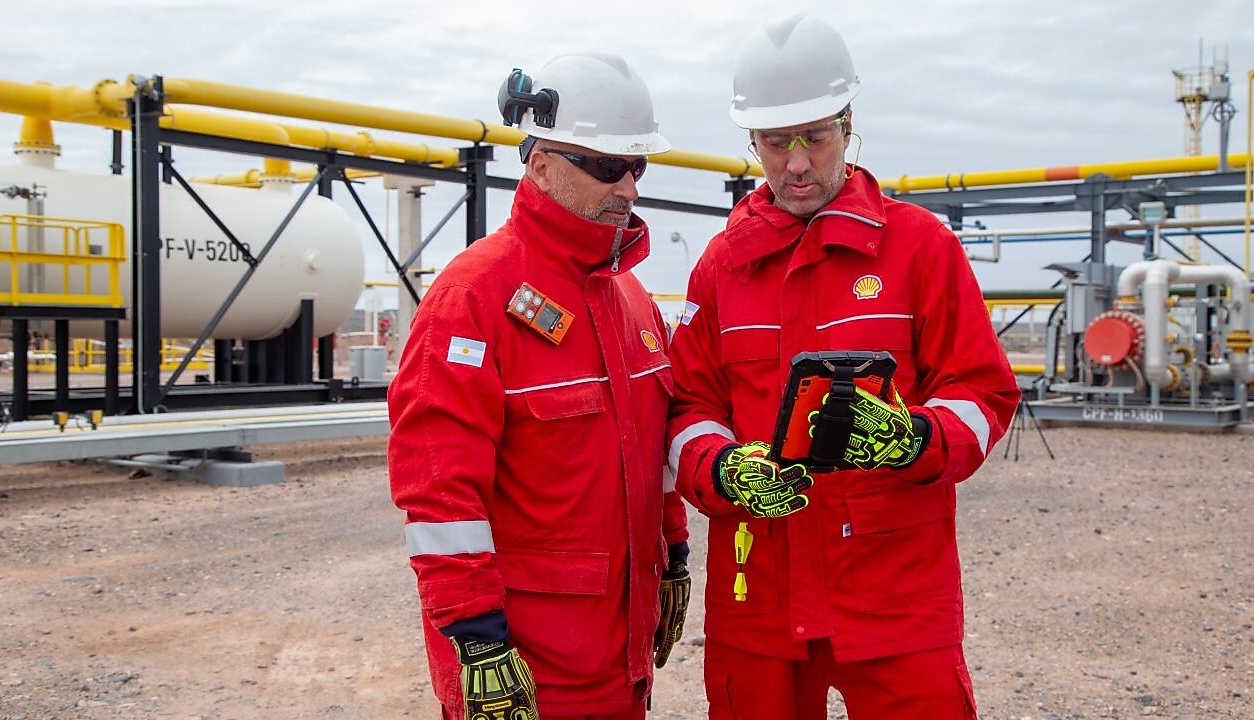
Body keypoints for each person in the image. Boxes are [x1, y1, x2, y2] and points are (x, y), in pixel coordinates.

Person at [666, 13, 1020, 720]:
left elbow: (981, 392)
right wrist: (721, 469)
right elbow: (686, 409)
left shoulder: (920, 249)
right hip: (757, 592)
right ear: (752, 144)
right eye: (775, 143)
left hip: (894, 597)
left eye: (816, 138)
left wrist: (916, 437)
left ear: (848, 124)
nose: (796, 164)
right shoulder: (720, 268)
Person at [388, 52, 690, 720]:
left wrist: (675, 552)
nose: (630, 189)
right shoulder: (473, 299)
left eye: (636, 167)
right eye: (609, 167)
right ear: (543, 164)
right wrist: (475, 641)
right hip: (525, 670)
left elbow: (654, 456)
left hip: (621, 658)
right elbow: (441, 493)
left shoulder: (632, 300)